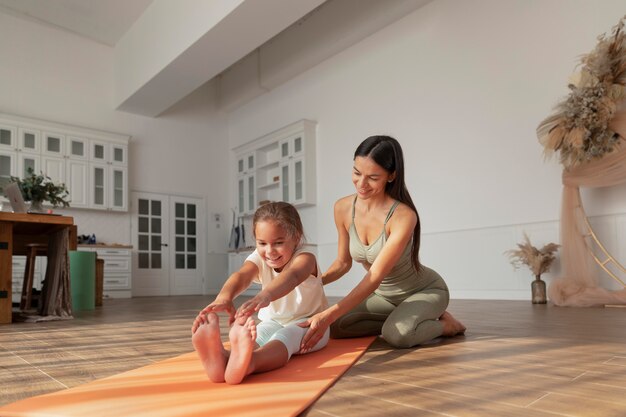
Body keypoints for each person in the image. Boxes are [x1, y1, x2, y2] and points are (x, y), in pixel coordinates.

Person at [298, 135, 465, 352]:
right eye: (357, 173)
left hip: (423, 290)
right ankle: (402, 317)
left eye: (373, 177)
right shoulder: (342, 208)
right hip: (384, 297)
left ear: (391, 176)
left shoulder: (403, 216)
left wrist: (326, 314)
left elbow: (375, 277)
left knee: (397, 336)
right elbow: (342, 263)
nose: (361, 184)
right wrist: (310, 283)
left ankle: (445, 325)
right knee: (337, 327)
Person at [191, 202, 329, 384]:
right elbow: (242, 275)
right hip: (273, 321)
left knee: (286, 336)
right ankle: (224, 358)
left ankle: (250, 364)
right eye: (262, 243)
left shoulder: (305, 258)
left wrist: (265, 296)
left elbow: (292, 277)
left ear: (296, 237)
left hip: (310, 323)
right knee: (260, 334)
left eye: (279, 243)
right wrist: (224, 297)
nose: (269, 251)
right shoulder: (258, 256)